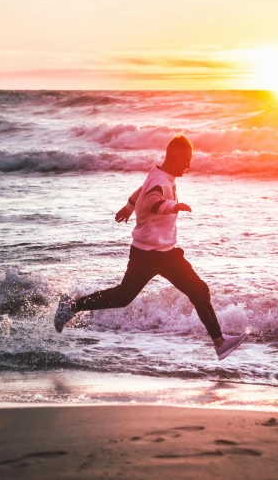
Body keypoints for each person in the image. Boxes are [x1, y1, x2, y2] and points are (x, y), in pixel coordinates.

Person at [54, 134, 247, 360]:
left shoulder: (158, 174)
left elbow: (142, 192)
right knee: (130, 296)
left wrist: (129, 206)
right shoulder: (161, 182)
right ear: (174, 156)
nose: (188, 165)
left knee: (194, 291)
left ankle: (219, 342)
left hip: (158, 252)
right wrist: (173, 206)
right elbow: (152, 202)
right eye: (186, 159)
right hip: (152, 254)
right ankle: (72, 305)